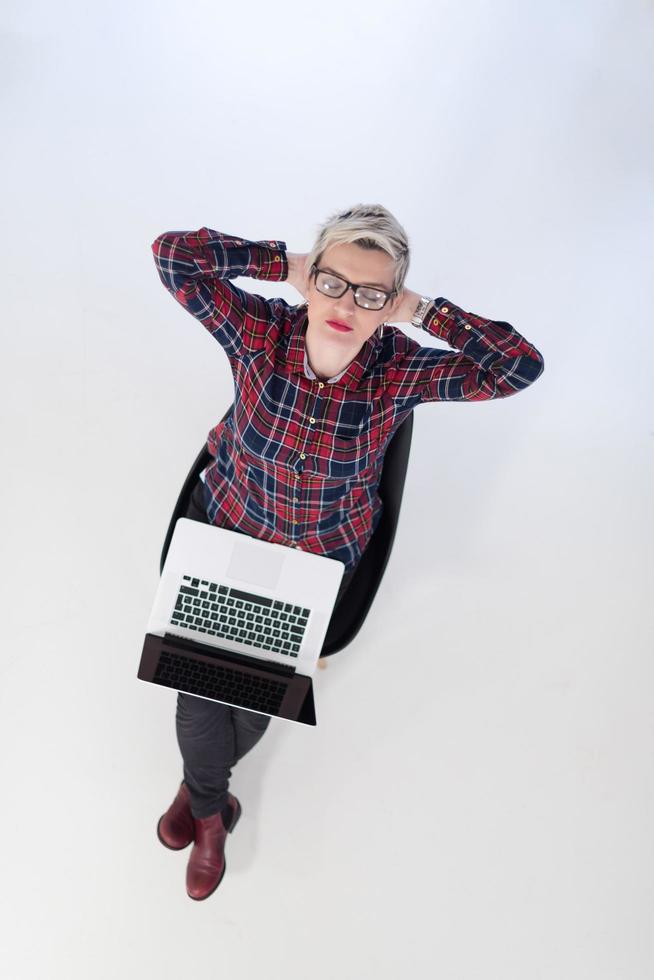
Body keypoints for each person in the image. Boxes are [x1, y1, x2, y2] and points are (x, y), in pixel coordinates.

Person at [150, 203, 545, 900]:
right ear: (312, 276)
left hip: (312, 568)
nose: (346, 306)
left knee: (252, 704)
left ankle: (200, 792)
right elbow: (173, 255)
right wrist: (282, 266)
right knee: (199, 697)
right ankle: (212, 813)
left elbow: (518, 368)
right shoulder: (260, 331)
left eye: (371, 294)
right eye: (333, 282)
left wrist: (423, 311)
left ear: (389, 302)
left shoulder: (399, 371)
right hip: (229, 535)